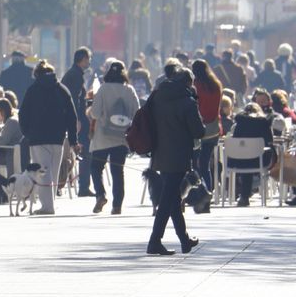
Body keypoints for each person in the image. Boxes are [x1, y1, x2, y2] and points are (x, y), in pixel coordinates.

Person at [143, 60, 203, 255]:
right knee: (168, 199)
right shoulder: (188, 102)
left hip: (161, 152)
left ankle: (184, 240)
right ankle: (154, 241)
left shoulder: (158, 96)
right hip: (179, 155)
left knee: (173, 197)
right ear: (188, 83)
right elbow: (198, 131)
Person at [18, 59, 79, 215]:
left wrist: (27, 133)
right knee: (53, 170)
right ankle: (50, 202)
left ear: (36, 74)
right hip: (58, 137)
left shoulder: (32, 90)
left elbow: (23, 113)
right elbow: (72, 116)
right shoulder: (62, 90)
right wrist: (73, 140)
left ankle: (47, 206)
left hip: (37, 138)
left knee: (43, 171)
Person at [88, 59, 140, 214]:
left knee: (96, 167)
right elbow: (137, 113)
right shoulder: (129, 90)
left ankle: (100, 195)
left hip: (102, 137)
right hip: (121, 137)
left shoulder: (103, 89)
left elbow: (95, 113)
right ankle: (117, 205)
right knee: (118, 172)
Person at [228, 99, 275, 206]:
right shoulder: (264, 122)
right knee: (252, 157)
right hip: (260, 160)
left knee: (246, 158)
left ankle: (244, 196)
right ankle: (248, 193)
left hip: (239, 160)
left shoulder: (239, 123)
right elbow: (269, 140)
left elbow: (236, 140)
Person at [62, 48, 94, 197]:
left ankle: (84, 186)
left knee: (84, 151)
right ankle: (84, 186)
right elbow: (74, 100)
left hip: (75, 117)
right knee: (85, 150)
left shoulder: (73, 74)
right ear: (82, 59)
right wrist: (77, 120)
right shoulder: (76, 76)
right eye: (88, 59)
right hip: (78, 119)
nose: (89, 62)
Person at [191, 58, 224, 187]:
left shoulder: (195, 86)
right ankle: (208, 190)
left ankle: (198, 190)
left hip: (197, 129)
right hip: (213, 129)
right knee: (205, 164)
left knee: (195, 163)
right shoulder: (216, 85)